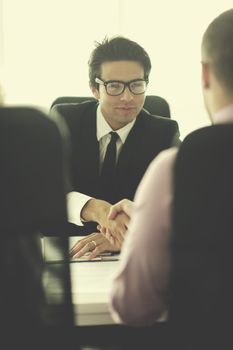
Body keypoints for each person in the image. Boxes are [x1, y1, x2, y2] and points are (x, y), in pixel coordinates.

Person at [109, 9, 233, 326]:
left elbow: (134, 307)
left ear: (205, 74)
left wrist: (150, 222)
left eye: (136, 85)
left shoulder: (176, 170)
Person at [52, 36, 180, 259]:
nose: (127, 97)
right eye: (114, 86)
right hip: (66, 251)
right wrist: (96, 208)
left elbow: (176, 204)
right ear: (94, 88)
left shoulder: (164, 134)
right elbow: (43, 188)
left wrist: (130, 235)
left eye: (137, 85)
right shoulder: (63, 120)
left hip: (129, 253)